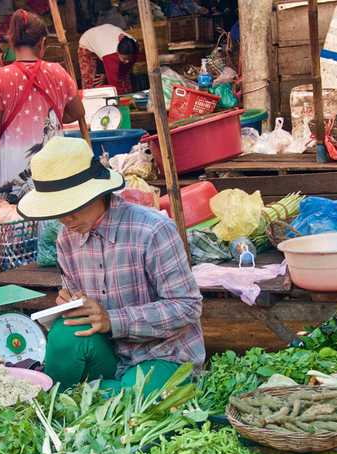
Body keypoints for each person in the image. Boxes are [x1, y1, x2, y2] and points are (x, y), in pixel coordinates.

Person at [17, 136, 205, 392]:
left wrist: (112, 320)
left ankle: (101, 393)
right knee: (63, 335)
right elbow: (83, 311)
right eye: (58, 211)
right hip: (109, 350)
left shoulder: (152, 230)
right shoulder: (67, 240)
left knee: (125, 403)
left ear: (98, 194)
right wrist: (73, 304)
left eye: (73, 207)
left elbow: (187, 308)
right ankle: (65, 397)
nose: (66, 219)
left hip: (164, 354)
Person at [0, 9, 84, 191]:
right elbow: (77, 112)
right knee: (57, 215)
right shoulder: (58, 71)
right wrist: (53, 115)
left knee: (16, 216)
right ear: (43, 43)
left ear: (11, 43)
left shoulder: (0, 77)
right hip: (55, 165)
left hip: (14, 169)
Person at [77, 24, 139, 94]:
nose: (127, 61)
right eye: (124, 59)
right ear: (117, 52)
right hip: (88, 41)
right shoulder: (110, 55)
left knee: (124, 79)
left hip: (105, 36)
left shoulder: (134, 46)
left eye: (129, 58)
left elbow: (124, 72)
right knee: (90, 83)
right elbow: (115, 86)